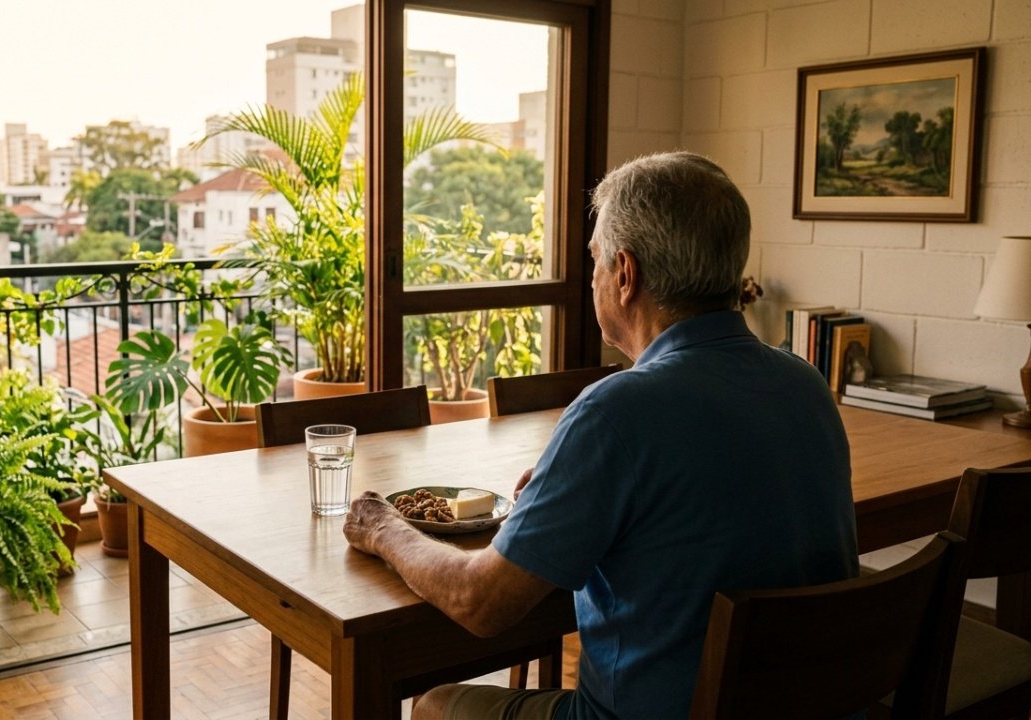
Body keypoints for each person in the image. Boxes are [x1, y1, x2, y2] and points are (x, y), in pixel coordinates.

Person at [343, 151, 859, 719]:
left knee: (436, 706)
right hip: (813, 707)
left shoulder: (617, 411)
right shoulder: (806, 384)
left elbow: (480, 602)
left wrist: (384, 529)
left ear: (625, 275)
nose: (592, 277)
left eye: (594, 260)